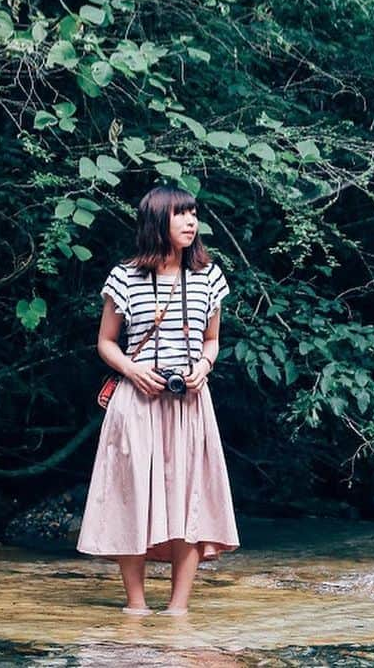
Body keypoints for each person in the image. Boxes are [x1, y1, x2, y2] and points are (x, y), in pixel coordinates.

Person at [77, 183, 240, 615]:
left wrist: (203, 368)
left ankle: (178, 609)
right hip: (136, 402)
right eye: (181, 214)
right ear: (157, 222)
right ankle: (136, 605)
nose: (191, 222)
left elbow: (213, 341)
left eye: (193, 213)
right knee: (133, 495)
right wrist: (133, 370)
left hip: (190, 403)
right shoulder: (124, 276)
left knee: (190, 499)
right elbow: (107, 343)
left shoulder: (210, 276)